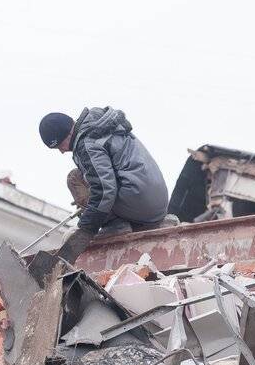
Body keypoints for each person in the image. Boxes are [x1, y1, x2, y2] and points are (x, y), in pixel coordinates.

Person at [38, 107, 169, 264]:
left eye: (59, 146)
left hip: (139, 200)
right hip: (158, 203)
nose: (61, 152)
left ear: (65, 135)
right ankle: (137, 221)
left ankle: (114, 225)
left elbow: (104, 190)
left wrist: (86, 228)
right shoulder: (103, 126)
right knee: (86, 175)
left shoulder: (86, 143)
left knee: (75, 178)